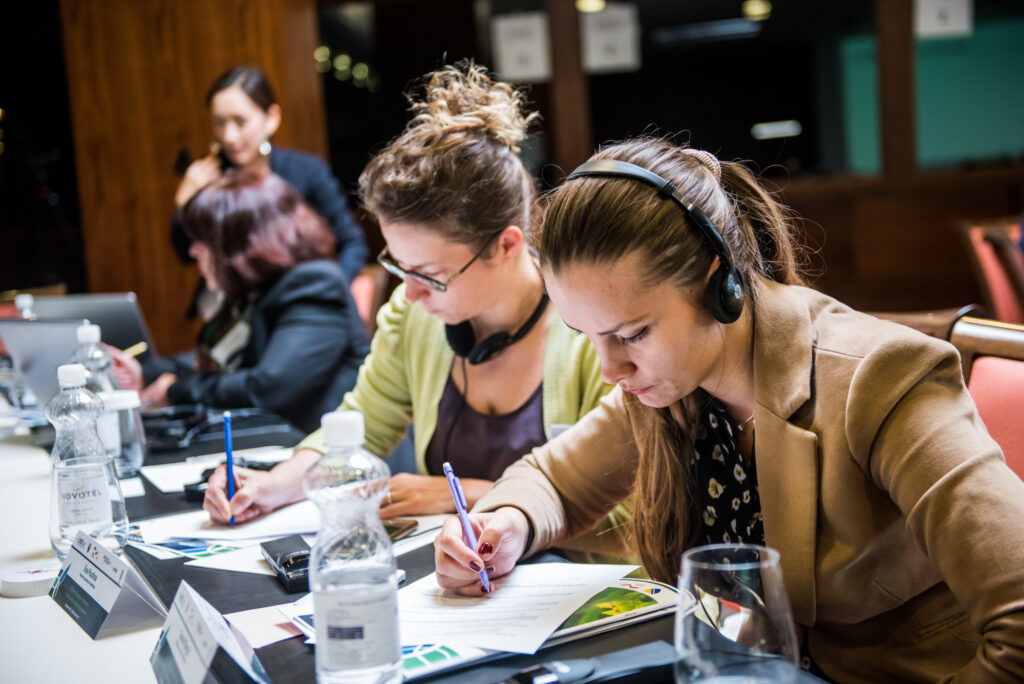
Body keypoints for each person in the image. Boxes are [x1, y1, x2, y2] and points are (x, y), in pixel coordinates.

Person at [434, 138, 1024, 681]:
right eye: (585, 335)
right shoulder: (672, 385)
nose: (610, 369)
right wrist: (505, 525)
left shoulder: (880, 378)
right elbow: (551, 481)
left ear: (719, 284)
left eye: (631, 334)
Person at [201, 62, 628, 561]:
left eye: (429, 274)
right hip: (462, 580)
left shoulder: (595, 332)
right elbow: (360, 426)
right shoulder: (416, 318)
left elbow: (625, 518)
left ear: (506, 246)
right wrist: (273, 485)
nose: (409, 294)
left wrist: (465, 496)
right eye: (398, 267)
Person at [111, 169, 370, 434]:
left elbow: (270, 387)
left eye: (203, 240)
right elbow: (210, 360)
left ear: (241, 242)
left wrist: (176, 389)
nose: (193, 251)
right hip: (274, 442)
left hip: (327, 451)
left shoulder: (314, 284)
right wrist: (145, 372)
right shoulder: (253, 289)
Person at [172, 65, 367, 285]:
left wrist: (329, 289)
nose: (228, 136)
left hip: (293, 293)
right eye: (219, 122)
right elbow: (185, 253)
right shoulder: (211, 176)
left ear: (271, 118)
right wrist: (184, 200)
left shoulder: (307, 171)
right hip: (228, 297)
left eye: (240, 121)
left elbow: (352, 242)